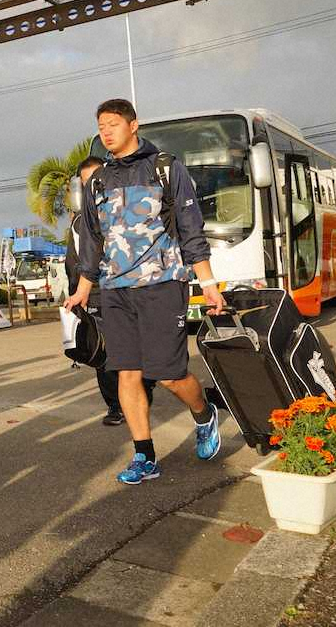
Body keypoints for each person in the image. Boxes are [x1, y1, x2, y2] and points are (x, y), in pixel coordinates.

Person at [65, 99, 225, 485]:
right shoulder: (98, 180)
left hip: (163, 284)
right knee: (127, 373)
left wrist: (208, 284)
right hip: (115, 290)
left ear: (134, 125)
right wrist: (84, 287)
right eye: (101, 125)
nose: (106, 131)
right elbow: (92, 238)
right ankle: (144, 455)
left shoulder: (165, 169)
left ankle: (204, 414)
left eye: (114, 124)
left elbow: (190, 227)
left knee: (169, 374)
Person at [66, 156, 156, 426]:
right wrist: (76, 294)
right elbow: (75, 260)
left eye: (97, 180)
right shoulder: (79, 222)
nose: (93, 187)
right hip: (95, 295)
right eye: (86, 184)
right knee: (104, 355)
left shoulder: (129, 212)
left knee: (139, 350)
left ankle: (144, 391)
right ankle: (116, 406)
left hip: (131, 290)